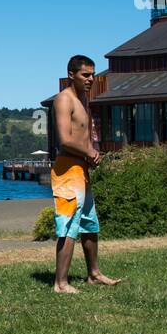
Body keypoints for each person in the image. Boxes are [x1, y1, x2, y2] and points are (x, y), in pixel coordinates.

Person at [50, 54, 121, 292]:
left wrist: (93, 152)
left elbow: (82, 136)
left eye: (93, 74)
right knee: (69, 225)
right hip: (67, 169)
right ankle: (60, 283)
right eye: (86, 75)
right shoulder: (64, 99)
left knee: (90, 223)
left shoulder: (83, 99)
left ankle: (94, 273)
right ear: (72, 75)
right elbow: (65, 139)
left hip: (81, 169)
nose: (91, 79)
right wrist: (89, 151)